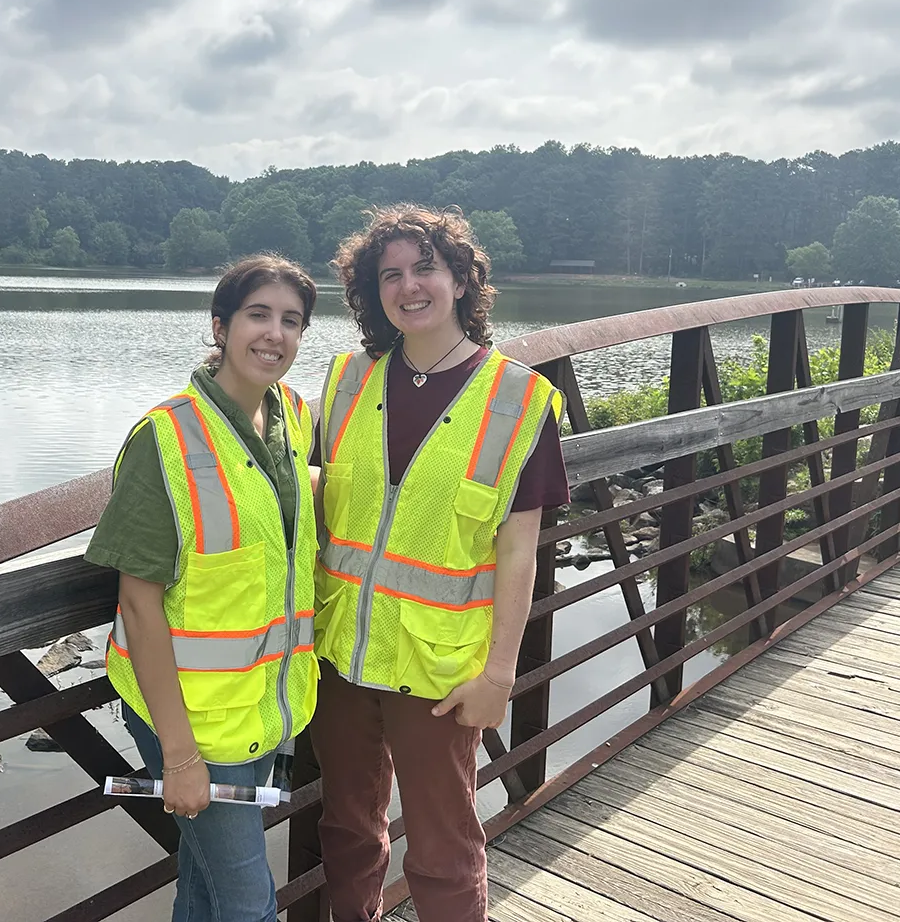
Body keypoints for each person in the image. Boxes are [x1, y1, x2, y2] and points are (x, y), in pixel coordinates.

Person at [310, 205, 569, 922]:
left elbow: (520, 551)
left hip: (439, 672)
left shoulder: (517, 398)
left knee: (444, 848)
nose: (408, 286)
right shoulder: (345, 382)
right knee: (347, 832)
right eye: (389, 274)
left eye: (425, 267)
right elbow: (304, 494)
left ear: (460, 279)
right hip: (338, 658)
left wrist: (500, 676)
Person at [88, 253, 321, 922]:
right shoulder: (165, 439)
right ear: (220, 326)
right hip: (188, 722)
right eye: (257, 315)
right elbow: (137, 601)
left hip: (259, 710)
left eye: (291, 320)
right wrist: (181, 755)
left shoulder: (293, 419)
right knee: (251, 904)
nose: (274, 334)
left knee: (205, 885)